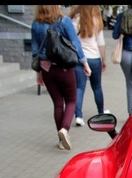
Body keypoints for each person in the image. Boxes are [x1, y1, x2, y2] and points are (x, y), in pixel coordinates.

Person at [31, 5, 91, 151]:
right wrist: (84, 63)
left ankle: (60, 141)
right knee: (71, 100)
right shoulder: (64, 21)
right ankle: (64, 129)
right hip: (64, 67)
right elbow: (75, 44)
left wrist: (38, 72)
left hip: (46, 68)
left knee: (58, 104)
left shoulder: (36, 24)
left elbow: (35, 50)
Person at [69, 5, 108, 127]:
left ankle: (78, 117)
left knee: (79, 88)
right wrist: (104, 59)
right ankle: (101, 113)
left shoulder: (74, 21)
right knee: (97, 87)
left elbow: (70, 40)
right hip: (94, 58)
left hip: (79, 58)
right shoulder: (96, 21)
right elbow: (101, 43)